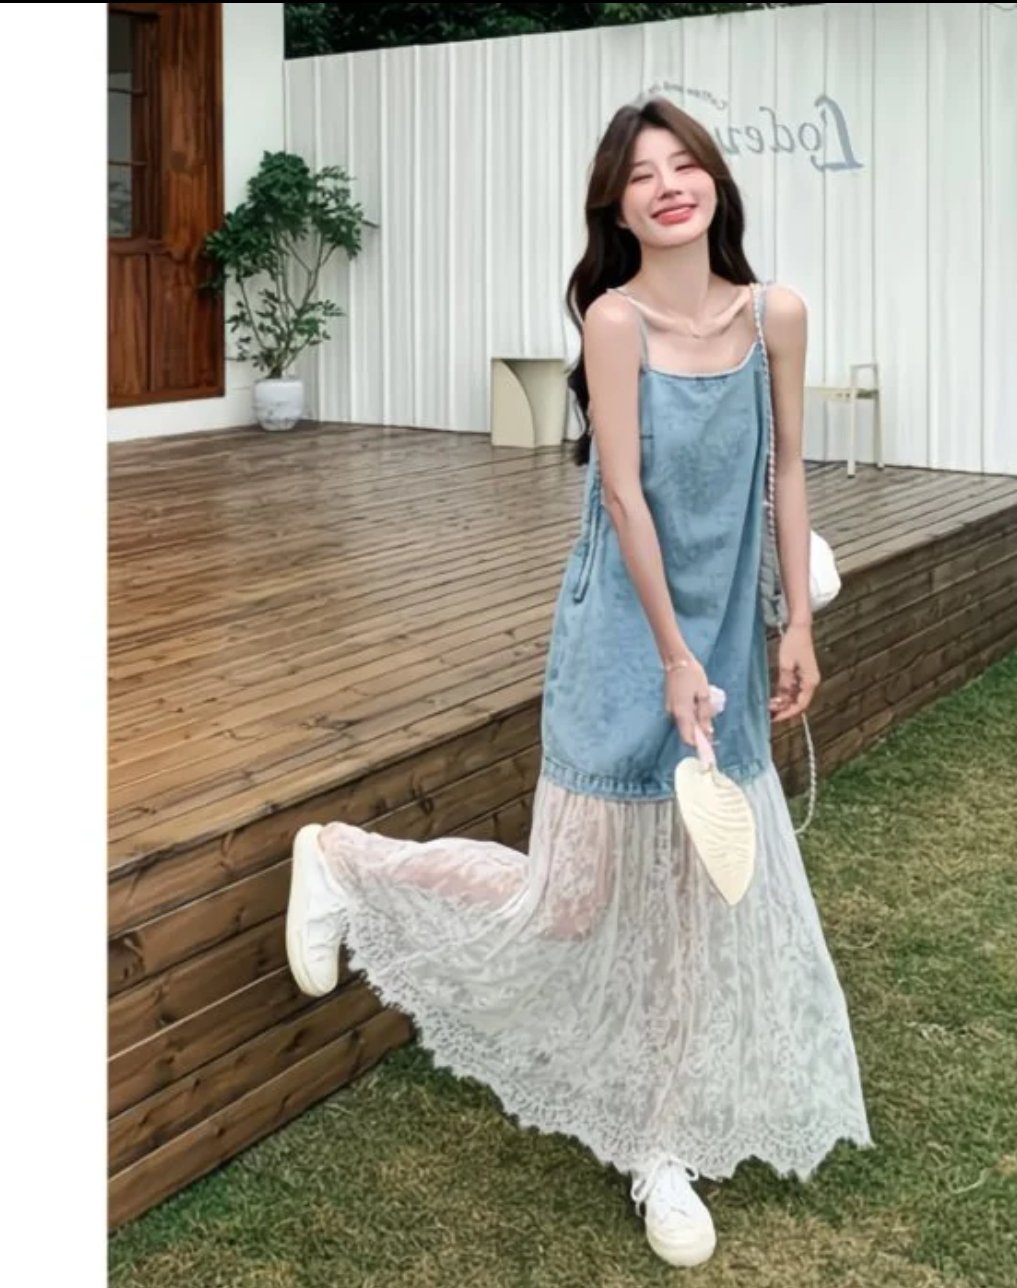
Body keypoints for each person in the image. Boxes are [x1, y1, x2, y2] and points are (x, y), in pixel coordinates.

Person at [284, 96, 873, 1270]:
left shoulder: (778, 314)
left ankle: (661, 1148)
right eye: (642, 173)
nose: (669, 184)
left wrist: (797, 626)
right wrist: (672, 658)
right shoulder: (615, 321)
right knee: (564, 902)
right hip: (622, 636)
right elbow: (621, 494)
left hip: (727, 632)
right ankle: (344, 859)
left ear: (715, 182)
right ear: (616, 206)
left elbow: (789, 472)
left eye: (685, 163)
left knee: (695, 912)